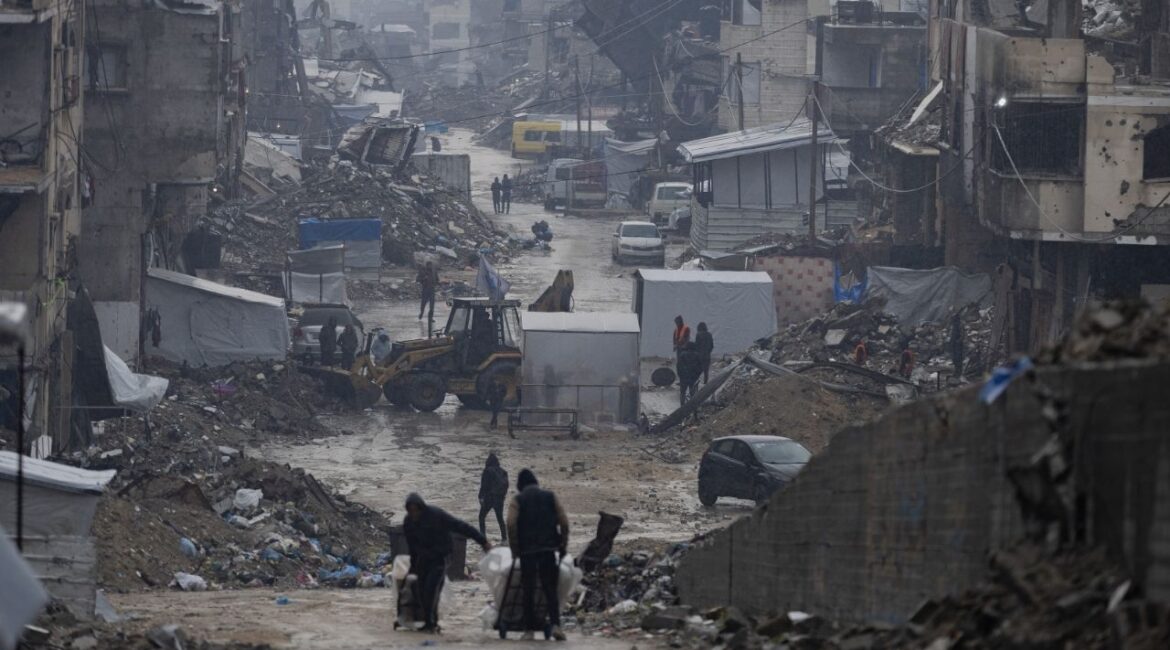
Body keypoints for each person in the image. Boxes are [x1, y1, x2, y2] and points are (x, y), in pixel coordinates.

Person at [403, 493, 491, 633]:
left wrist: (482, 541)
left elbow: (460, 526)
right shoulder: (408, 523)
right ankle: (431, 622)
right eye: (411, 510)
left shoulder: (436, 515)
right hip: (423, 559)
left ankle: (430, 624)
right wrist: (412, 567)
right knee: (421, 590)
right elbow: (412, 546)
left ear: (421, 508)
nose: (414, 513)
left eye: (416, 510)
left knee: (431, 589)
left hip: (440, 557)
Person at [506, 469, 569, 642]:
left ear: (520, 485)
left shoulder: (517, 500)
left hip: (527, 552)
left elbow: (511, 524)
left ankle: (529, 630)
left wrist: (515, 550)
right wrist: (563, 545)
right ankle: (556, 625)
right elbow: (564, 521)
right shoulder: (550, 497)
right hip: (548, 550)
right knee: (550, 590)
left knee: (528, 590)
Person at [478, 453, 509, 541]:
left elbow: (484, 485)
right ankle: (504, 538)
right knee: (500, 518)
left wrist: (480, 496)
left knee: (481, 517)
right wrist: (502, 496)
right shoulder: (503, 471)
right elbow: (506, 485)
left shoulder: (487, 471)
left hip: (489, 498)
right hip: (499, 498)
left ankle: (482, 538)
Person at [676, 341, 702, 406]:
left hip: (684, 378)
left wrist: (680, 376)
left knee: (682, 393)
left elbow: (679, 367)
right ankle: (693, 406)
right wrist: (697, 376)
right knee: (693, 393)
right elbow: (700, 367)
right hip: (693, 378)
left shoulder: (682, 354)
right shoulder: (697, 355)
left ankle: (682, 406)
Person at [950, 311, 964, 377]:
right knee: (954, 358)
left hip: (957, 344)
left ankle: (958, 372)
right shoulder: (954, 325)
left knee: (958, 358)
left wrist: (958, 341)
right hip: (953, 344)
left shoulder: (960, 324)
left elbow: (962, 335)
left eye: (953, 318)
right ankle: (956, 372)